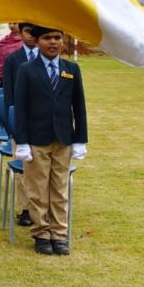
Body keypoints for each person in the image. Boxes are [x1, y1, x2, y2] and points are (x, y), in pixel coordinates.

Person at [14, 25, 88, 256]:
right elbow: (20, 108)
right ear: (37, 41)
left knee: (60, 189)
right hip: (37, 139)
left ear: (63, 41)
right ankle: (41, 233)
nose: (53, 42)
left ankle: (59, 233)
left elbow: (79, 106)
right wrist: (22, 141)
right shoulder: (27, 70)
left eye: (57, 37)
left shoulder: (71, 69)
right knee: (38, 189)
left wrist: (80, 139)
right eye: (47, 38)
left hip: (63, 139)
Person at [2, 22, 38, 226]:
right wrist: (12, 123)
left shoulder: (47, 58)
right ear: (21, 33)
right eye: (27, 32)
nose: (31, 36)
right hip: (20, 122)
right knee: (22, 165)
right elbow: (8, 93)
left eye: (35, 32)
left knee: (40, 167)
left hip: (42, 122)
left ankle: (41, 206)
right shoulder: (13, 59)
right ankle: (25, 208)